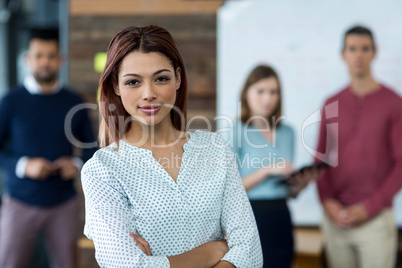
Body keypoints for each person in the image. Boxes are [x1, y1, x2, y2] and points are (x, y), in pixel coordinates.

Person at [81, 25, 263, 268]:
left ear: (178, 78)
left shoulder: (215, 149)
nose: (149, 93)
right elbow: (127, 266)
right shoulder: (102, 170)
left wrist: (157, 262)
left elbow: (249, 252)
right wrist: (213, 251)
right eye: (133, 82)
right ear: (116, 86)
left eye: (161, 78)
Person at [0, 28, 96, 268]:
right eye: (39, 55)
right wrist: (23, 166)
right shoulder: (10, 101)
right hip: (19, 201)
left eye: (51, 56)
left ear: (60, 60)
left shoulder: (74, 102)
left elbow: (91, 150)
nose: (45, 62)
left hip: (63, 202)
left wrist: (76, 165)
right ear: (28, 60)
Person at [315, 25, 402, 268]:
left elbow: (401, 164)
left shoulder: (394, 103)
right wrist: (328, 202)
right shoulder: (331, 103)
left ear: (374, 53)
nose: (358, 55)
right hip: (336, 219)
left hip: (374, 220)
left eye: (365, 49)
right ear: (343, 54)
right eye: (352, 49)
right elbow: (319, 160)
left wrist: (370, 207)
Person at [223, 65, 315, 268]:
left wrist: (300, 184)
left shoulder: (288, 132)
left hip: (281, 214)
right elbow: (227, 189)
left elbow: (288, 191)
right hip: (251, 218)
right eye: (261, 91)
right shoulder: (236, 131)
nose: (268, 98)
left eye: (273, 92)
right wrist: (266, 170)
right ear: (247, 94)